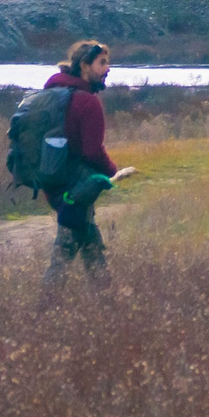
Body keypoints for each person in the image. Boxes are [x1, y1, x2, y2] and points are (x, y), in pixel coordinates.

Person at [41, 39, 135, 283]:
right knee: (62, 258)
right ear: (85, 65)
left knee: (90, 243)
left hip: (52, 179)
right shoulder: (88, 103)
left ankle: (105, 301)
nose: (108, 68)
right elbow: (92, 152)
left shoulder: (52, 91)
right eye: (102, 63)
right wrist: (112, 172)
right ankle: (43, 311)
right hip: (76, 188)